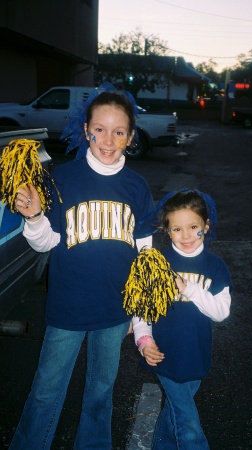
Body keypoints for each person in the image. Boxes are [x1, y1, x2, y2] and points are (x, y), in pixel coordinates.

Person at [9, 88, 155, 450]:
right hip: (68, 308)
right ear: (86, 129)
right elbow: (45, 242)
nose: (109, 140)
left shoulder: (137, 187)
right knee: (46, 391)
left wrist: (141, 321)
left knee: (100, 394)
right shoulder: (63, 179)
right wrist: (34, 216)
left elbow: (145, 257)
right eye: (100, 129)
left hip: (115, 311)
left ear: (130, 137)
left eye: (119, 131)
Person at [132, 189, 232, 450]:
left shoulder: (215, 266)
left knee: (175, 412)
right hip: (165, 353)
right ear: (167, 230)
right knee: (188, 423)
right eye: (177, 229)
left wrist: (188, 288)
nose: (186, 236)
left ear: (206, 227)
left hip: (196, 355)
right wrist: (144, 340)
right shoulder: (158, 262)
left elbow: (221, 312)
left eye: (193, 227)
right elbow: (143, 307)